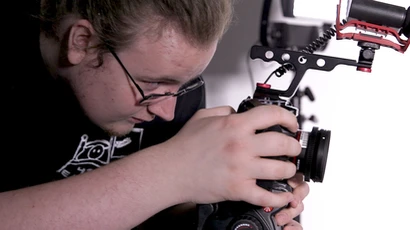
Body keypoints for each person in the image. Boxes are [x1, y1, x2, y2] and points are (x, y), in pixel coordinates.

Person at [1, 0, 309, 229]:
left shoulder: (171, 93)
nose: (167, 110)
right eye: (153, 84)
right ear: (83, 42)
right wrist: (172, 170)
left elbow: (158, 215)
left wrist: (231, 212)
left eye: (185, 85)